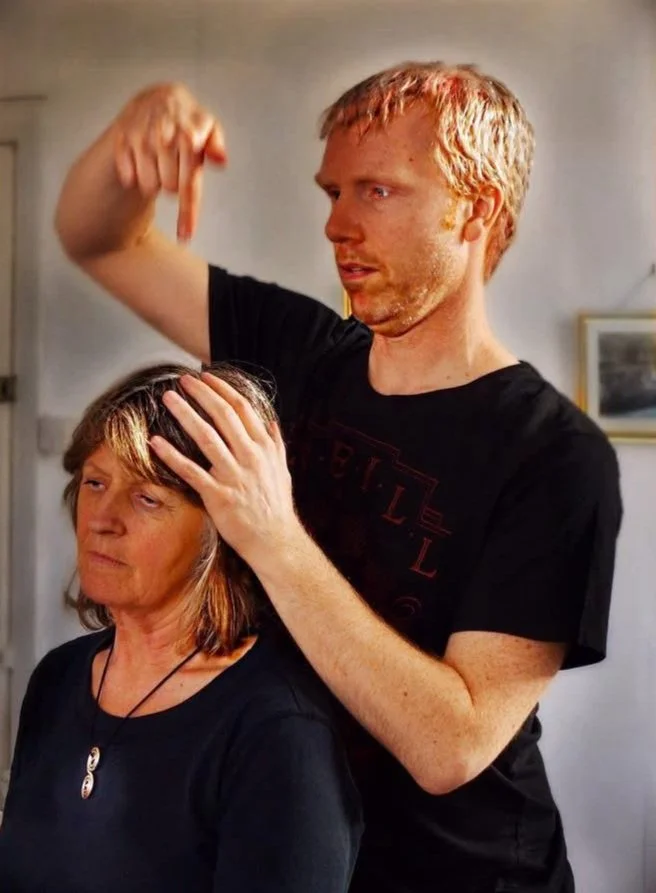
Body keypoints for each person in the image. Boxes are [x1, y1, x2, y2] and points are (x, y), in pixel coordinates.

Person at [54, 62, 623, 892]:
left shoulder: (555, 454)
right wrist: (131, 134)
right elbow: (97, 237)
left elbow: (451, 745)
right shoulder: (299, 350)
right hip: (278, 844)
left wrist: (274, 536)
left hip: (464, 875)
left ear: (477, 207)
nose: (338, 225)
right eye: (333, 193)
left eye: (378, 192)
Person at [0, 363, 362, 893]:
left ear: (222, 531)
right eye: (95, 483)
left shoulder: (279, 731)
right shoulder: (59, 678)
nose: (102, 517)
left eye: (147, 498)